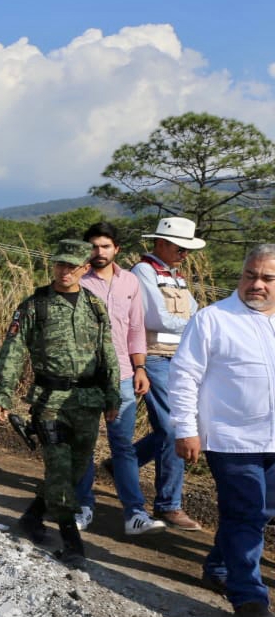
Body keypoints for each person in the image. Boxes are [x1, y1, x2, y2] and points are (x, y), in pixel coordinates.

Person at [0, 239, 120, 568]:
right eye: (60, 265)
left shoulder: (94, 306)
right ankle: (72, 543)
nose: (65, 272)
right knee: (60, 471)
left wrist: (112, 395)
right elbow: (13, 350)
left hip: (88, 401)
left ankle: (32, 518)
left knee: (76, 471)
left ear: (85, 268)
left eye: (72, 266)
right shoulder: (37, 305)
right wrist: (3, 393)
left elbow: (108, 353)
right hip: (49, 401)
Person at [169, 244, 275, 617]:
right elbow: (184, 377)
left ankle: (217, 565)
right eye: (250, 275)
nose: (256, 284)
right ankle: (249, 597)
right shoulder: (212, 319)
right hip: (231, 440)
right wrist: (186, 429)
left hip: (274, 441)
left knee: (260, 513)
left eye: (267, 278)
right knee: (245, 513)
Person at [74, 223, 165, 535]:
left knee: (122, 446)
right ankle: (83, 505)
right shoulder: (76, 280)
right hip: (84, 377)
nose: (99, 252)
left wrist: (140, 368)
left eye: (105, 246)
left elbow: (135, 328)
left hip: (124, 377)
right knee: (83, 444)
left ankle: (135, 514)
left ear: (116, 249)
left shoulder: (130, 282)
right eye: (94, 246)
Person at [131, 217, 206, 531]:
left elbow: (196, 310)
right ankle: (169, 505)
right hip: (157, 358)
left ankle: (124, 464)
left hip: (181, 360)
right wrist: (196, 324)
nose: (184, 254)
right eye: (180, 247)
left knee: (170, 427)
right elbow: (156, 317)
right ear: (160, 243)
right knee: (176, 427)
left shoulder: (175, 277)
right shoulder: (144, 272)